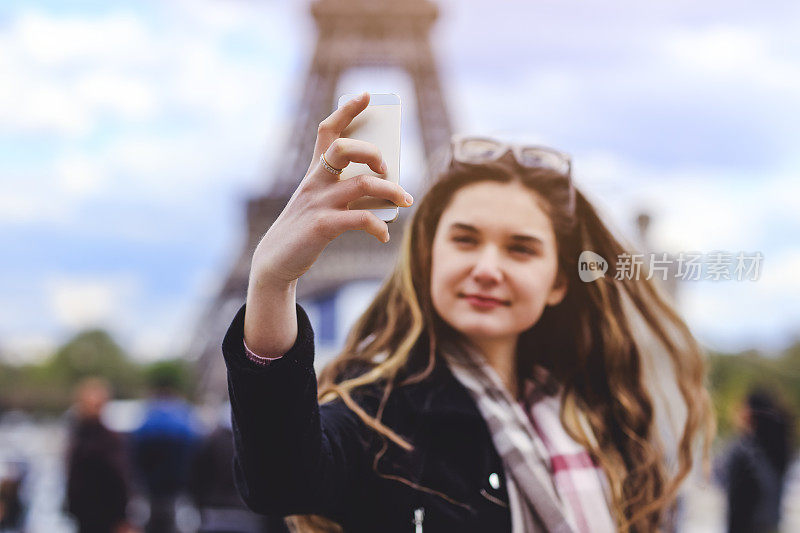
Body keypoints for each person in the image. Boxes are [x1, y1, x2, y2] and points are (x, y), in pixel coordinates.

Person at [222, 92, 715, 532]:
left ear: (559, 281)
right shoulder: (379, 417)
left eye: (521, 249)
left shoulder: (611, 424)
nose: (487, 268)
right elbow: (279, 482)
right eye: (465, 239)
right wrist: (271, 281)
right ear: (429, 256)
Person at [716, 389, 794, 533]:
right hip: (771, 526)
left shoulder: (744, 450)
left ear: (750, 413)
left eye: (741, 407)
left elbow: (736, 502)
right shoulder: (777, 447)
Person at [130, 373, 201, 533]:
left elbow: (136, 452)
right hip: (178, 483)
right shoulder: (183, 416)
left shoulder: (148, 417)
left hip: (152, 485)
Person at [64, 377, 132, 533]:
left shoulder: (106, 439)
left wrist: (122, 518)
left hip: (105, 517)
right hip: (85, 516)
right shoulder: (78, 435)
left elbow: (118, 480)